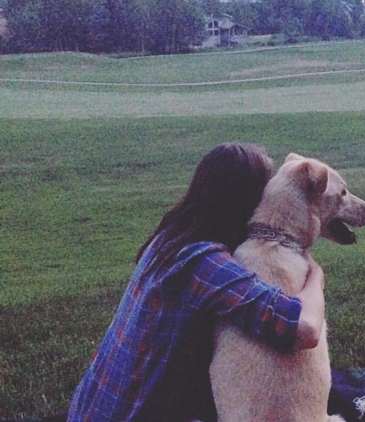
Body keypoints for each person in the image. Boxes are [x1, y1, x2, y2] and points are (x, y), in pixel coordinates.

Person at [67, 143, 326, 422]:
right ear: (245, 199)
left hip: (91, 410)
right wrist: (314, 274)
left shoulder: (170, 237)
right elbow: (304, 329)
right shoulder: (202, 264)